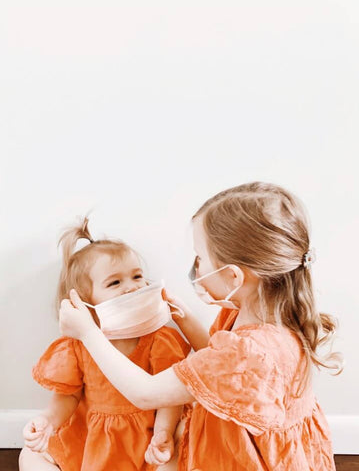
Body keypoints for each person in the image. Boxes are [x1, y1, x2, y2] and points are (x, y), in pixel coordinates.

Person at [58, 182, 343, 470]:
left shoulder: (247, 351)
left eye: (200, 257)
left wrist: (88, 333)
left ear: (233, 277)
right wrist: (186, 320)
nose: (196, 267)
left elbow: (146, 392)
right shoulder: (264, 318)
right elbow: (223, 373)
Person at [19, 217, 191, 471]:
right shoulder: (77, 345)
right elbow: (68, 396)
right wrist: (49, 421)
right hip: (90, 437)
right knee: (30, 457)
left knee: (174, 461)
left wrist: (163, 434)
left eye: (137, 276)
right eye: (115, 282)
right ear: (85, 300)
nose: (132, 287)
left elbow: (169, 396)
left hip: (145, 438)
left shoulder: (160, 339)